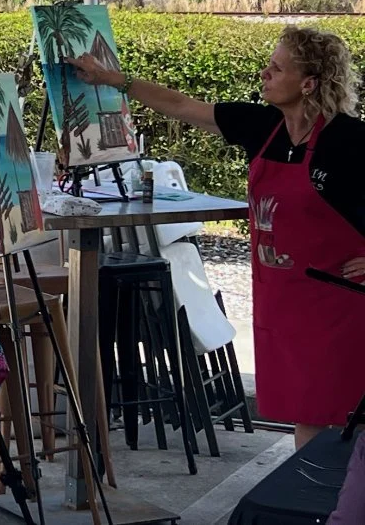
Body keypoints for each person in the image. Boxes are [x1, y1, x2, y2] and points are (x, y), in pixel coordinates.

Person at [67, 26, 365, 450]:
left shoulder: (350, 140)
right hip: (282, 304)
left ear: (309, 83)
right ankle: (316, 506)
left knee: (347, 418)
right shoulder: (264, 126)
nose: (265, 73)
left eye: (276, 68)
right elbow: (180, 104)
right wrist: (110, 78)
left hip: (340, 308)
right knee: (307, 414)